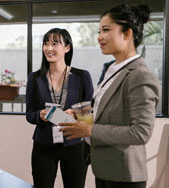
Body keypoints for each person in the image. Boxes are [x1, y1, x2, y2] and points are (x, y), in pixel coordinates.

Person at [59, 4, 161, 188]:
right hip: (105, 169)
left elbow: (140, 133)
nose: (99, 37)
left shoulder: (140, 76)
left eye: (106, 30)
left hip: (125, 175)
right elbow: (108, 108)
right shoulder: (112, 70)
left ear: (127, 34)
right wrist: (83, 117)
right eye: (99, 31)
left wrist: (90, 131)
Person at [25, 28, 94, 188]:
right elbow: (29, 114)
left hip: (74, 143)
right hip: (44, 144)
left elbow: (89, 113)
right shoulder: (35, 78)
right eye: (46, 44)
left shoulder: (82, 76)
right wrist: (39, 115)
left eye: (55, 44)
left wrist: (75, 114)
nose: (49, 48)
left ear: (67, 48)